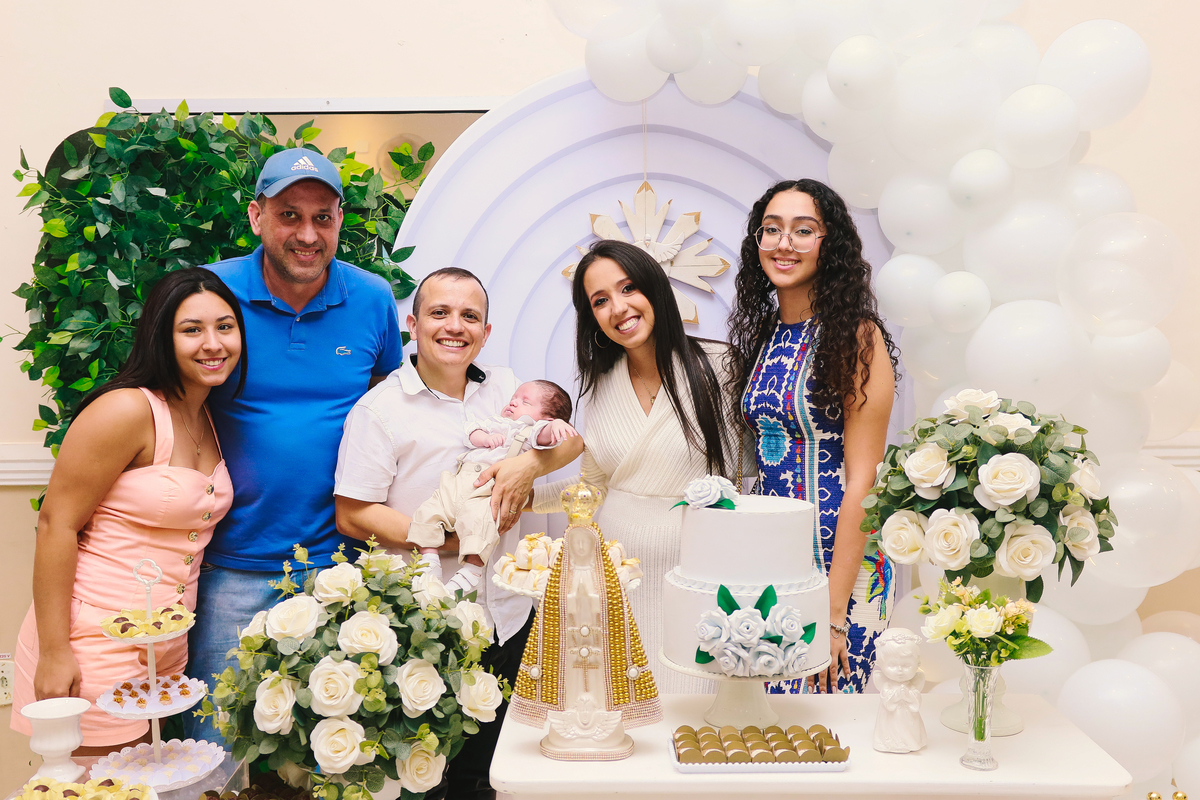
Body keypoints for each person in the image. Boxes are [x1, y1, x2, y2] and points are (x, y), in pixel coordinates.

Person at [333, 267, 583, 800]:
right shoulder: (380, 410)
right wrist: (453, 541)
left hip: (508, 617)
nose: (454, 326)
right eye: (439, 313)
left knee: (493, 774)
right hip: (429, 619)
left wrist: (526, 468)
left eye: (469, 316)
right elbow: (353, 514)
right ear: (413, 324)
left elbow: (569, 442)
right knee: (421, 775)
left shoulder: (507, 390)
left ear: (485, 332)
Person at [183, 148, 403, 741]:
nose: (307, 234)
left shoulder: (372, 298)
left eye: (322, 217)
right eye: (289, 215)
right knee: (213, 750)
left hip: (344, 567)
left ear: (339, 221)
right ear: (257, 216)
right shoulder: (212, 293)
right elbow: (169, 403)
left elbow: (390, 406)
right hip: (234, 565)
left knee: (337, 751)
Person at [11, 268, 245, 754]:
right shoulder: (127, 410)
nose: (213, 343)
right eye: (192, 329)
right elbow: (56, 524)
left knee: (147, 780)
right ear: (162, 337)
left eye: (225, 327)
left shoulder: (210, 415)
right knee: (95, 782)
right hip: (94, 639)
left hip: (165, 646)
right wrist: (55, 652)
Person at [529, 238, 747, 695]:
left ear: (655, 289)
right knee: (627, 711)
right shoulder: (598, 387)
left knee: (698, 711)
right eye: (600, 300)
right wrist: (521, 497)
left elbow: (749, 480)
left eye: (628, 288)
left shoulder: (722, 366)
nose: (618, 308)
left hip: (701, 578)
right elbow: (592, 490)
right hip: (619, 578)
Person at [726, 178, 900, 695]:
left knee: (825, 726)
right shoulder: (765, 335)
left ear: (831, 244)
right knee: (771, 723)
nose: (784, 243)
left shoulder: (856, 336)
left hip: (840, 568)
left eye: (803, 230)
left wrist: (833, 613)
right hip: (773, 562)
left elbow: (865, 480)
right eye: (771, 229)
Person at [409, 380, 577, 593]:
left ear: (546, 419)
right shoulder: (495, 422)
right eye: (514, 398)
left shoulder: (530, 431)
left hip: (486, 491)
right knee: (428, 511)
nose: (514, 402)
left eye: (525, 402)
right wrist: (485, 438)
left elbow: (546, 436)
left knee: (481, 524)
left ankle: (472, 570)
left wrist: (556, 425)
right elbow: (471, 433)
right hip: (457, 482)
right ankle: (429, 561)